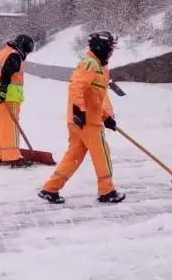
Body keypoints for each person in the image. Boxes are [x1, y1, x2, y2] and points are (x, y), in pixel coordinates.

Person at [38, 31, 125, 204]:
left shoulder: (98, 67)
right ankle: (107, 191)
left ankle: (51, 188)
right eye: (109, 49)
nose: (111, 53)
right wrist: (79, 111)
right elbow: (76, 87)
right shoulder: (90, 64)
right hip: (87, 121)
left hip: (84, 120)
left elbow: (95, 99)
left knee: (74, 156)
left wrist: (107, 117)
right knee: (102, 155)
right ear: (101, 48)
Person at [0, 34, 35, 168]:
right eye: (28, 49)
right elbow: (6, 73)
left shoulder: (2, 53)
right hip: (8, 97)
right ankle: (12, 157)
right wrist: (3, 90)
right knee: (10, 127)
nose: (27, 52)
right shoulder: (15, 55)